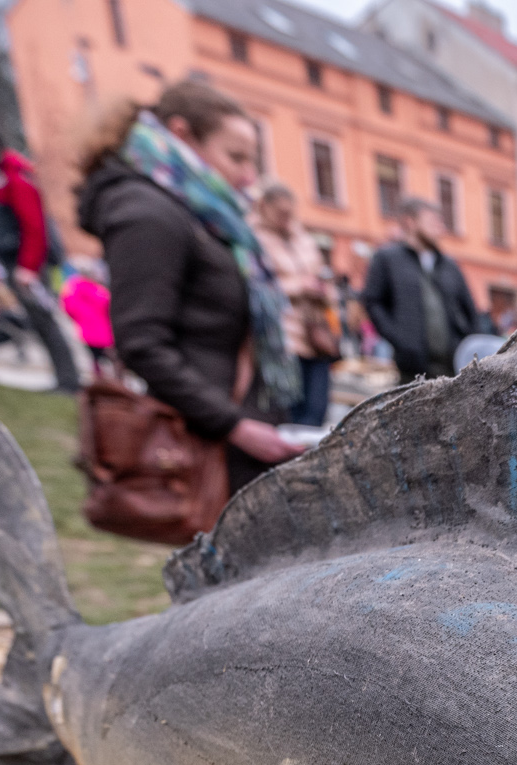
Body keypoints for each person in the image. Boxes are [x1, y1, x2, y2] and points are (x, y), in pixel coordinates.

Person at [76, 80, 302, 491]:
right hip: (203, 443)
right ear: (181, 134)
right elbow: (142, 342)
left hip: (233, 434)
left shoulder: (209, 216)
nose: (248, 177)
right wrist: (233, 425)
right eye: (235, 157)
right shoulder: (148, 213)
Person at [0, 122, 80, 394]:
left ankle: (69, 381)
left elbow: (34, 224)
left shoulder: (15, 173)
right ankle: (63, 379)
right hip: (13, 258)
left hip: (27, 262)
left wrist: (28, 267)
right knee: (38, 319)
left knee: (44, 318)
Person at [362, 200, 482, 383]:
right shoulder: (387, 259)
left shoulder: (449, 265)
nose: (440, 228)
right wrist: (400, 341)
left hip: (453, 365)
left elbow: (470, 309)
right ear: (410, 222)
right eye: (433, 221)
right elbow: (373, 302)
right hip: (412, 368)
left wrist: (468, 345)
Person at [252, 183, 334, 427]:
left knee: (317, 410)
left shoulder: (303, 239)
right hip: (281, 339)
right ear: (265, 208)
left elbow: (324, 277)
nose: (286, 218)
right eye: (281, 212)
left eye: (290, 212)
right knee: (289, 414)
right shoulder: (254, 237)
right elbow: (255, 286)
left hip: (315, 336)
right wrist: (300, 286)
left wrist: (323, 289)